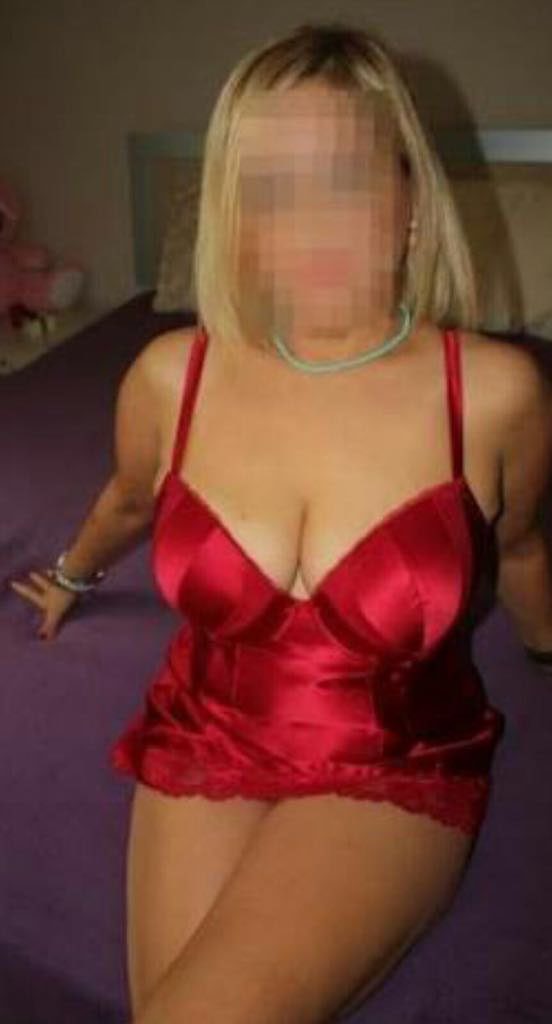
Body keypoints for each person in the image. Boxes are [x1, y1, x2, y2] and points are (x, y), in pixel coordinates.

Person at [9, 21, 552, 1024]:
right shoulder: (169, 377)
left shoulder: (491, 393)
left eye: (346, 178)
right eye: (271, 189)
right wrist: (74, 578)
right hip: (204, 727)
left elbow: (520, 544)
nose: (312, 224)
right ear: (236, 219)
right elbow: (128, 499)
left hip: (394, 761)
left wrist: (546, 643)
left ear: (410, 200)